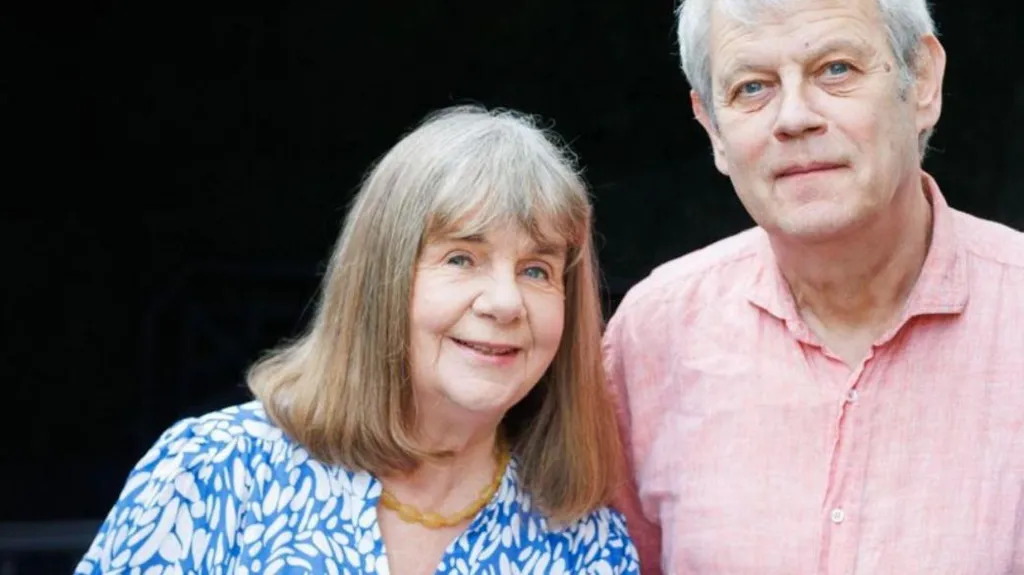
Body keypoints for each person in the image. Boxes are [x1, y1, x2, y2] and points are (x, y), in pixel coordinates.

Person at [75, 106, 640, 574]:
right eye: (462, 258)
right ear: (381, 279)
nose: (505, 301)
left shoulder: (585, 543)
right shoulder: (213, 471)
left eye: (537, 270)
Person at [605, 0, 1024, 573]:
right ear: (713, 128)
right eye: (753, 87)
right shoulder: (652, 336)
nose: (794, 117)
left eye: (836, 70)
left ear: (922, 81)